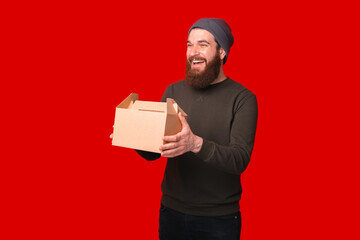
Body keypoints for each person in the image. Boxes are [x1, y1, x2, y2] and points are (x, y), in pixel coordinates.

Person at [136, 18, 258, 240]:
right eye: (189, 44)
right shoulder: (173, 90)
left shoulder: (243, 98)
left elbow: (240, 159)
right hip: (171, 212)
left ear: (221, 52)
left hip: (219, 219)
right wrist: (135, 135)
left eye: (203, 44)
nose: (193, 52)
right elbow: (155, 150)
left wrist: (195, 143)